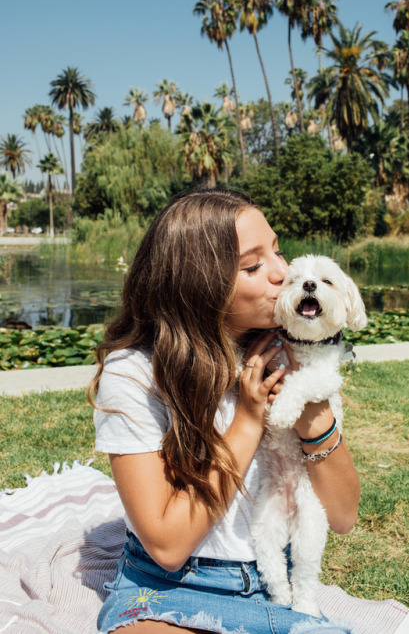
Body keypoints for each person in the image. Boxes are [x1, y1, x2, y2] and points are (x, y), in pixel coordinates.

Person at [89, 188, 361, 634]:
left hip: (274, 586)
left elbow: (343, 517)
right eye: (254, 265)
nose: (282, 272)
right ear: (199, 286)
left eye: (277, 251)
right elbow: (168, 545)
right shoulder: (135, 373)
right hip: (166, 589)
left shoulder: (292, 355)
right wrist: (249, 419)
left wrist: (312, 410)